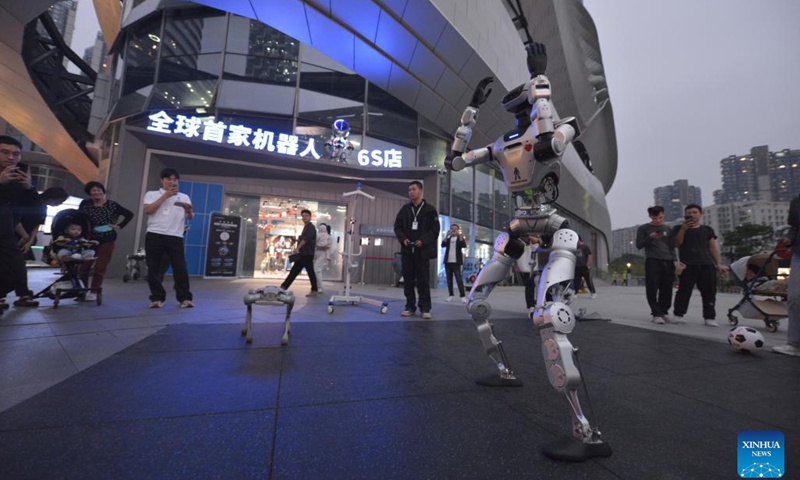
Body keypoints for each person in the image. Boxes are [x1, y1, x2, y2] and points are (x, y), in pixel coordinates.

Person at [143, 168, 194, 308]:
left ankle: (185, 298)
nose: (172, 182)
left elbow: (190, 217)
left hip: (175, 236)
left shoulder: (184, 196)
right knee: (154, 268)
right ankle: (157, 298)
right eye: (169, 179)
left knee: (180, 267)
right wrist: (165, 196)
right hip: (154, 234)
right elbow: (148, 210)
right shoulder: (152, 194)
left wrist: (189, 211)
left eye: (175, 180)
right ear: (162, 180)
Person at [672, 204, 728, 326]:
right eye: (689, 213)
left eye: (694, 212)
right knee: (684, 290)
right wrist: (683, 229)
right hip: (687, 264)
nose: (691, 215)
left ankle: (709, 317)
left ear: (700, 214)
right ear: (685, 215)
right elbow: (676, 244)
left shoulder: (707, 230)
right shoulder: (678, 228)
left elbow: (712, 247)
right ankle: (679, 314)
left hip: (706, 264)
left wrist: (718, 264)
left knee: (709, 291)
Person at [0, 135, 39, 308]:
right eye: (4, 152)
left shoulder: (16, 178)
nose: (10, 157)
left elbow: (34, 209)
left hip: (7, 231)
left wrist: (29, 188)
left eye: (16, 154)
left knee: (16, 270)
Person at [78, 181, 134, 300]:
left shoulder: (111, 204)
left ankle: (94, 292)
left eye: (99, 190)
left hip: (107, 237)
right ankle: (81, 291)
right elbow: (80, 218)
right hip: (89, 238)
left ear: (103, 191)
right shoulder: (85, 204)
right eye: (94, 190)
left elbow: (129, 214)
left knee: (100, 266)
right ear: (89, 193)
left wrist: (119, 225)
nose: (97, 192)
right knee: (84, 267)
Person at [394, 180, 440, 319]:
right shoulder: (405, 209)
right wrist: (403, 239)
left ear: (421, 191)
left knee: (423, 280)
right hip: (408, 250)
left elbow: (435, 230)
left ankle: (425, 308)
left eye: (413, 189)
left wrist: (423, 241)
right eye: (409, 190)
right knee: (408, 280)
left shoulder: (430, 210)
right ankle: (410, 306)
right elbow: (397, 227)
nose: (411, 192)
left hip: (422, 251)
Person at [636, 205, 678, 324]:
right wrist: (650, 238)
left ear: (663, 215)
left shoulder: (668, 228)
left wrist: (675, 260)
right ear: (650, 216)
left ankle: (664, 311)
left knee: (667, 288)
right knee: (652, 287)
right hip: (653, 260)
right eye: (655, 218)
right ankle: (655, 313)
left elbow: (671, 246)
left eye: (660, 217)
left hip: (668, 260)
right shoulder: (644, 228)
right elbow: (639, 245)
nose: (658, 220)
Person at [774, 194, 800, 356]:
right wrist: (789, 239)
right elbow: (794, 228)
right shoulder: (796, 201)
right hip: (798, 253)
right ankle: (795, 344)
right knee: (795, 297)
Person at [15, 187, 68, 261]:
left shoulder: (44, 208)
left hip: (26, 238)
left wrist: (30, 240)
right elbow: (16, 219)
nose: (60, 203)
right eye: (60, 201)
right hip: (16, 235)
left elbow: (37, 224)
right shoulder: (33, 201)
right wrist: (25, 236)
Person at [280, 209, 319, 296]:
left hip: (307, 254)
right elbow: (304, 239)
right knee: (298, 271)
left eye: (306, 216)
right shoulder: (306, 227)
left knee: (306, 272)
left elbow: (306, 239)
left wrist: (297, 248)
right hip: (304, 253)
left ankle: (283, 287)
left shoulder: (311, 227)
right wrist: (298, 241)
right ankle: (283, 287)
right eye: (303, 216)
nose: (304, 217)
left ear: (310, 217)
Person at [441, 223, 467, 303]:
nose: (453, 230)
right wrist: (446, 236)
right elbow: (442, 245)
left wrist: (460, 236)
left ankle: (462, 296)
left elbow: (464, 245)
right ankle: (450, 295)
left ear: (458, 230)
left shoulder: (459, 238)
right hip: (448, 262)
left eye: (455, 229)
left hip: (456, 262)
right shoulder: (448, 239)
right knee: (449, 279)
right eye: (452, 229)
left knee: (458, 279)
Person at [313, 222, 331, 293]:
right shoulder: (327, 236)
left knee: (317, 270)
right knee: (317, 270)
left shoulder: (325, 236)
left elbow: (327, 247)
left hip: (321, 254)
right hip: (318, 254)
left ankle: (320, 287)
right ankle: (317, 286)